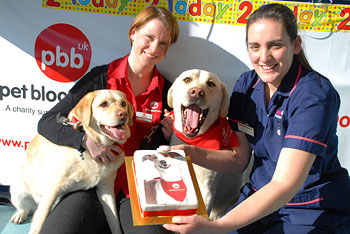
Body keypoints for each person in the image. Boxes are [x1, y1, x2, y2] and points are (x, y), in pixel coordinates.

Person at [163, 3, 350, 234]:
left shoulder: (314, 95)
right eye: (255, 46)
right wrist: (189, 153)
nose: (264, 57)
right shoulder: (246, 85)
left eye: (275, 45)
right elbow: (239, 159)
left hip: (310, 209)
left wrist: (219, 226)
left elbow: (285, 183)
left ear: (296, 45)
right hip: (256, 199)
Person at [36, 5, 179, 234]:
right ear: (133, 33)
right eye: (149, 37)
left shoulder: (168, 92)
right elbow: (47, 121)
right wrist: (85, 142)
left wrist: (172, 136)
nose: (154, 48)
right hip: (90, 185)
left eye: (163, 43)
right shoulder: (100, 78)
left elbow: (175, 152)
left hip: (135, 190)